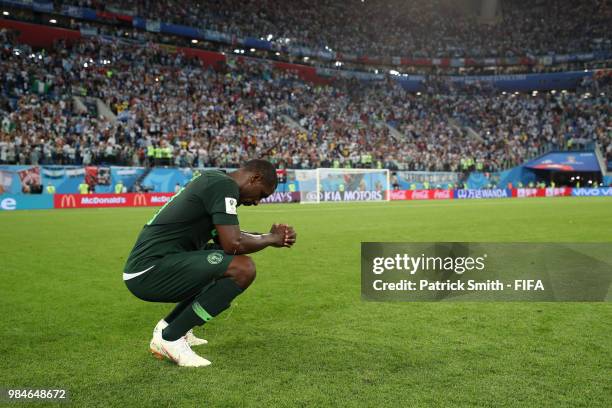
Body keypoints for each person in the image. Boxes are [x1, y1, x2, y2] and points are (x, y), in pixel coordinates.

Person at [123, 160, 297, 367]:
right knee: (242, 269)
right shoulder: (224, 186)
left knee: (223, 261)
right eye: (261, 194)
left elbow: (226, 238)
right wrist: (271, 239)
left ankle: (169, 327)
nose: (257, 201)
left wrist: (268, 237)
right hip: (149, 270)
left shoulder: (217, 180)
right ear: (255, 178)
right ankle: (170, 338)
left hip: (156, 263)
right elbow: (233, 243)